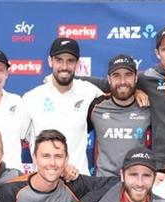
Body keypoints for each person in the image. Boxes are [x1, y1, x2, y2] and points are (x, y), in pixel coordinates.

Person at [20, 38, 103, 175]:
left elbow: (118, 95)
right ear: (50, 61)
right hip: (45, 182)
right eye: (59, 60)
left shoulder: (89, 91)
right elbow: (15, 137)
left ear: (77, 63)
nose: (64, 66)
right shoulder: (31, 98)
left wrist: (138, 91)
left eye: (70, 61)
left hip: (80, 181)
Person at [88, 54, 150, 177]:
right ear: (109, 79)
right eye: (116, 76)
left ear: (136, 77)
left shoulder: (147, 106)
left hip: (137, 182)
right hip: (103, 182)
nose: (122, 82)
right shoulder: (96, 106)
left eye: (128, 75)